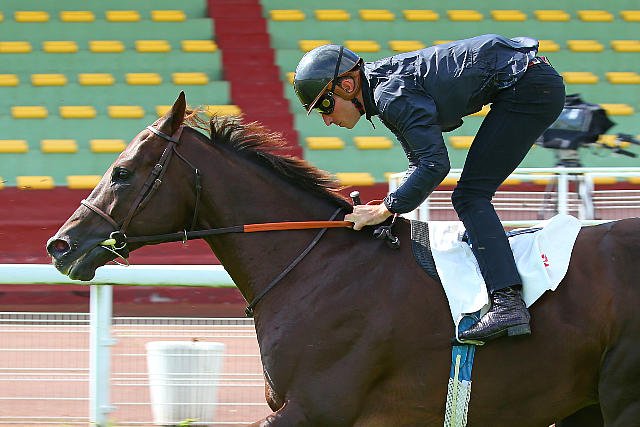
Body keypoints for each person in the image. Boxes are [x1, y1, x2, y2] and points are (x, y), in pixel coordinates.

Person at [293, 34, 566, 343]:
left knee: (470, 197)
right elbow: (420, 162)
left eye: (325, 105)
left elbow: (434, 165)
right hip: (530, 81)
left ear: (347, 85)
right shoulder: (384, 91)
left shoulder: (389, 95)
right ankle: (502, 287)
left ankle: (507, 303)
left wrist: (386, 208)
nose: (327, 120)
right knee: (470, 196)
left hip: (528, 86)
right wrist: (387, 206)